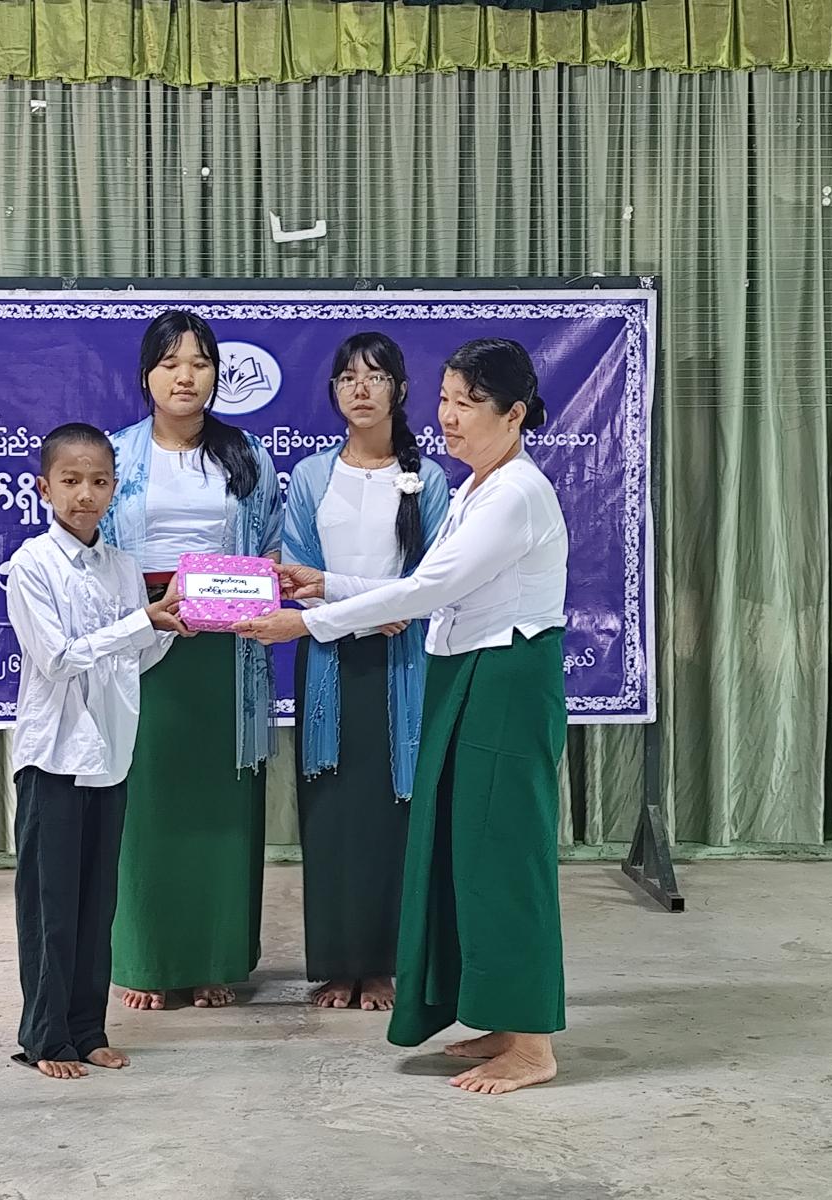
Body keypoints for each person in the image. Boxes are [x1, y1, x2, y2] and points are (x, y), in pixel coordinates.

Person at [237, 338, 569, 1096]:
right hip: (469, 671)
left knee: (504, 859)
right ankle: (503, 1018)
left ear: (514, 414)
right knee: (469, 858)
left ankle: (533, 1044)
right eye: (445, 399)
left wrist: (306, 621)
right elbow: (424, 584)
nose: (448, 417)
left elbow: (424, 592)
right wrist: (326, 584)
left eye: (468, 404)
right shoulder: (478, 485)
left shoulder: (515, 493)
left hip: (505, 678)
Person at [100, 309, 282, 1012]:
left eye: (200, 363)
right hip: (143, 639)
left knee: (222, 804)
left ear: (216, 375)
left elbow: (270, 544)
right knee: (147, 802)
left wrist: (251, 591)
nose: (186, 376)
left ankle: (214, 957)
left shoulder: (248, 455)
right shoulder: (115, 455)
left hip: (227, 650)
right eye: (171, 363)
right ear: (146, 374)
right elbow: (92, 551)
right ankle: (144, 959)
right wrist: (142, 611)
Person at [4, 423, 190, 1080]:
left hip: (109, 754)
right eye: (71, 480)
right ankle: (45, 1037)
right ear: (44, 487)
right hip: (54, 757)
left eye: (100, 481)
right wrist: (142, 622)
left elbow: (135, 658)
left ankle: (87, 1030)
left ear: (115, 487)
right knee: (50, 906)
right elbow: (56, 659)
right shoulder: (31, 565)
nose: (86, 494)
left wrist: (173, 623)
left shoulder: (122, 567)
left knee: (96, 904)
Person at [282, 332, 450, 1012]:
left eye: (375, 377)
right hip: (327, 658)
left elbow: (435, 581)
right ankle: (337, 963)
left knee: (391, 815)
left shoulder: (429, 480)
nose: (360, 388)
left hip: (401, 662)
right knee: (330, 812)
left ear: (400, 391)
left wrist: (383, 607)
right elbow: (297, 576)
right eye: (348, 377)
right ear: (334, 392)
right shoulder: (309, 477)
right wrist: (366, 607)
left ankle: (382, 966)